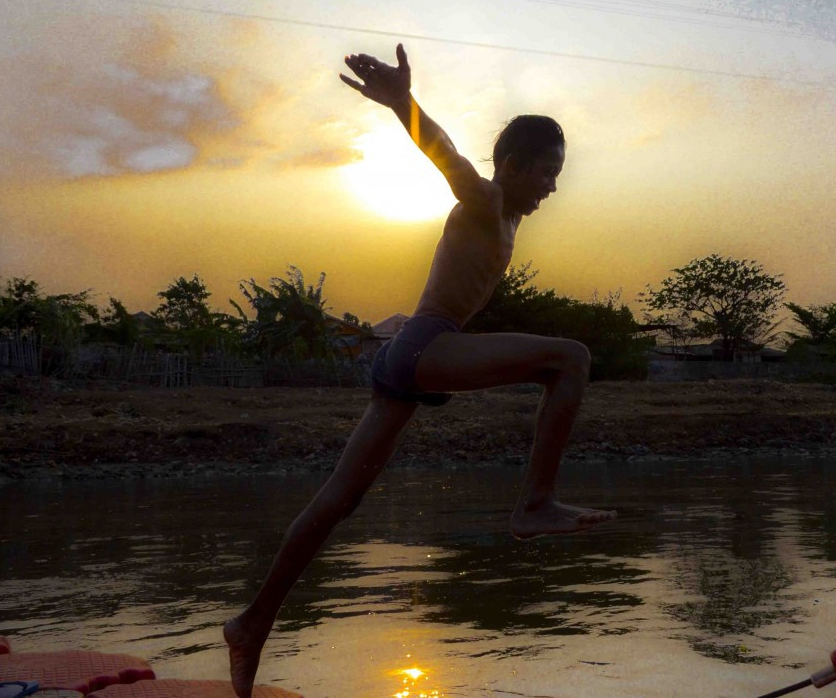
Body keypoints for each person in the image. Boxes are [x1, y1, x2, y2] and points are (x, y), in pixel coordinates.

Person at [224, 44, 617, 697]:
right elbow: (450, 159)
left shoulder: (507, 217)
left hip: (406, 354)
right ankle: (534, 503)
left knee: (338, 499)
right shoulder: (488, 200)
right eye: (546, 171)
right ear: (514, 166)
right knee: (570, 358)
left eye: (558, 173)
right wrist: (402, 105)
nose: (553, 185)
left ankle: (251, 622)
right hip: (424, 346)